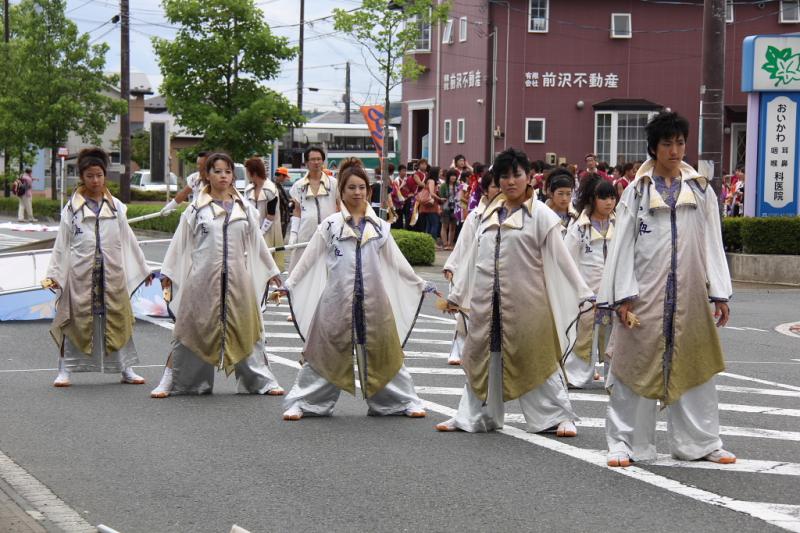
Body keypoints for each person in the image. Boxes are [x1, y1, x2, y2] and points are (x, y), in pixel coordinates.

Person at [599, 111, 735, 468]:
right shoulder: (636, 192)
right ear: (653, 147)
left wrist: (718, 291)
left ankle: (701, 442)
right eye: (666, 143)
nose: (674, 150)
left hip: (689, 294)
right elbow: (622, 245)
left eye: (679, 143)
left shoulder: (699, 189)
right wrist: (622, 296)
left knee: (695, 367)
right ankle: (625, 442)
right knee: (633, 368)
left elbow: (712, 242)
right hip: (643, 294)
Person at [435, 148, 593, 435]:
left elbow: (561, 257)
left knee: (537, 359)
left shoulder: (541, 215)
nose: (510, 182)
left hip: (527, 302)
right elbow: (473, 257)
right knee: (484, 358)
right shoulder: (487, 213)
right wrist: (457, 295)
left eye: (516, 175)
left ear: (528, 176)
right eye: (504, 176)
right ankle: (474, 416)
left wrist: (583, 292)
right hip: (487, 302)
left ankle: (557, 416)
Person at [281, 158, 437, 420]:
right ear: (341, 192)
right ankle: (305, 403)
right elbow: (309, 257)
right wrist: (290, 283)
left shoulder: (380, 227)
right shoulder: (330, 226)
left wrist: (419, 283)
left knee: (386, 354)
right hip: (335, 301)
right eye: (351, 188)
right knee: (322, 355)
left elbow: (396, 261)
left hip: (374, 303)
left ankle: (401, 402)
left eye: (362, 188)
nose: (357, 193)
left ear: (369, 191)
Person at [154, 152, 285, 397]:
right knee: (189, 330)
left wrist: (272, 271)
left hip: (238, 279)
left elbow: (256, 242)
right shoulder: (195, 209)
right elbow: (180, 242)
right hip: (203, 279)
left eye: (227, 171)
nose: (223, 176)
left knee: (247, 329)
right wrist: (168, 272)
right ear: (207, 175)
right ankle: (173, 380)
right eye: (217, 171)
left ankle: (262, 381)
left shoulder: (245, 208)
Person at [44, 148, 153, 387]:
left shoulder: (117, 208)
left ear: (105, 176)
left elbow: (129, 240)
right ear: (82, 177)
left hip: (112, 274)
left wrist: (143, 268)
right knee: (73, 321)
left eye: (99, 175)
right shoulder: (71, 210)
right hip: (80, 274)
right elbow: (62, 244)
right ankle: (65, 370)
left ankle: (126, 368)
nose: (95, 180)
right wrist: (54, 274)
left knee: (117, 320)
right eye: (90, 176)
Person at [442, 169, 502, 366]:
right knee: (467, 310)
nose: (499, 190)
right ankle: (458, 346)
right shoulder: (476, 216)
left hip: (499, 272)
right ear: (485, 190)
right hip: (474, 269)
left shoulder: (510, 215)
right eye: (495, 186)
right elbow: (463, 244)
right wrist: (452, 265)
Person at [563, 177, 618, 388]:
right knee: (584, 335)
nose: (609, 202)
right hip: (587, 293)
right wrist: (578, 290)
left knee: (614, 335)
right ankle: (576, 376)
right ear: (593, 199)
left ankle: (614, 378)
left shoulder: (619, 223)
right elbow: (567, 259)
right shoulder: (580, 227)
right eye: (603, 197)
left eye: (612, 197)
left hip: (613, 291)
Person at [287, 146, 339, 274]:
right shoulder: (298, 185)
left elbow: (340, 206)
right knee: (302, 271)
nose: (316, 162)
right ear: (306, 163)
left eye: (319, 159)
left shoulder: (333, 183)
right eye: (313, 159)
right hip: (306, 234)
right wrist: (293, 233)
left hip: (329, 234)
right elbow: (297, 210)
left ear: (323, 161)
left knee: (328, 272)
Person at [244, 156, 285, 269]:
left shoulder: (270, 189)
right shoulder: (248, 189)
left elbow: (271, 215)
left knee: (266, 264)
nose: (247, 174)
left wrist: (261, 232)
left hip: (269, 231)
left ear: (253, 172)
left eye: (247, 171)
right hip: (251, 231)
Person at [545, 167, 579, 233]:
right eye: (560, 193)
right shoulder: (541, 213)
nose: (564, 198)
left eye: (568, 193)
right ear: (550, 191)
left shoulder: (578, 214)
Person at [417, 171, 443, 242]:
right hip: (431, 205)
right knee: (434, 224)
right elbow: (432, 193)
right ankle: (432, 242)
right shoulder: (431, 181)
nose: (441, 173)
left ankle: (427, 242)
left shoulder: (429, 180)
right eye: (439, 171)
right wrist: (440, 199)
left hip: (427, 206)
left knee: (429, 224)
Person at [401, 159, 427, 229]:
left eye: (425, 164)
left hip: (421, 198)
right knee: (411, 215)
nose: (424, 165)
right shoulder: (416, 174)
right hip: (414, 198)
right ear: (418, 165)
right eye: (422, 164)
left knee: (419, 216)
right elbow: (420, 184)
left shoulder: (425, 174)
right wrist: (429, 186)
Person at [439, 168, 459, 250]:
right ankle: (445, 243)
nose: (453, 177)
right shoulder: (443, 185)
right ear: (448, 177)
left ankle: (450, 244)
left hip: (455, 207)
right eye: (452, 176)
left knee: (453, 226)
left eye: (455, 176)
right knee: (444, 225)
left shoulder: (458, 185)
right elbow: (441, 196)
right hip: (446, 207)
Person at [274, 166, 293, 240]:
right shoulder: (276, 187)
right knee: (280, 240)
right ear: (281, 175)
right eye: (285, 177)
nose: (285, 179)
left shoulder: (278, 185)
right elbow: (284, 202)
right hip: (281, 217)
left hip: (282, 217)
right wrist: (291, 202)